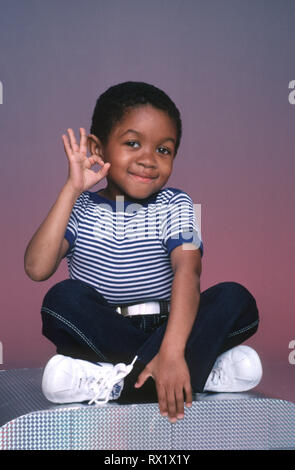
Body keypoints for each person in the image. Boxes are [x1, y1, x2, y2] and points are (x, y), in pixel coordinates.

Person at [24, 81, 262, 424]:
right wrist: (71, 189)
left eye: (164, 150)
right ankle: (195, 371)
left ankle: (126, 380)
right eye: (132, 143)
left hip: (171, 327)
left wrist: (173, 349)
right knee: (62, 300)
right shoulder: (80, 208)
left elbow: (188, 272)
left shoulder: (176, 204)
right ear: (98, 147)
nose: (149, 160)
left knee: (235, 299)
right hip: (105, 333)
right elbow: (36, 267)